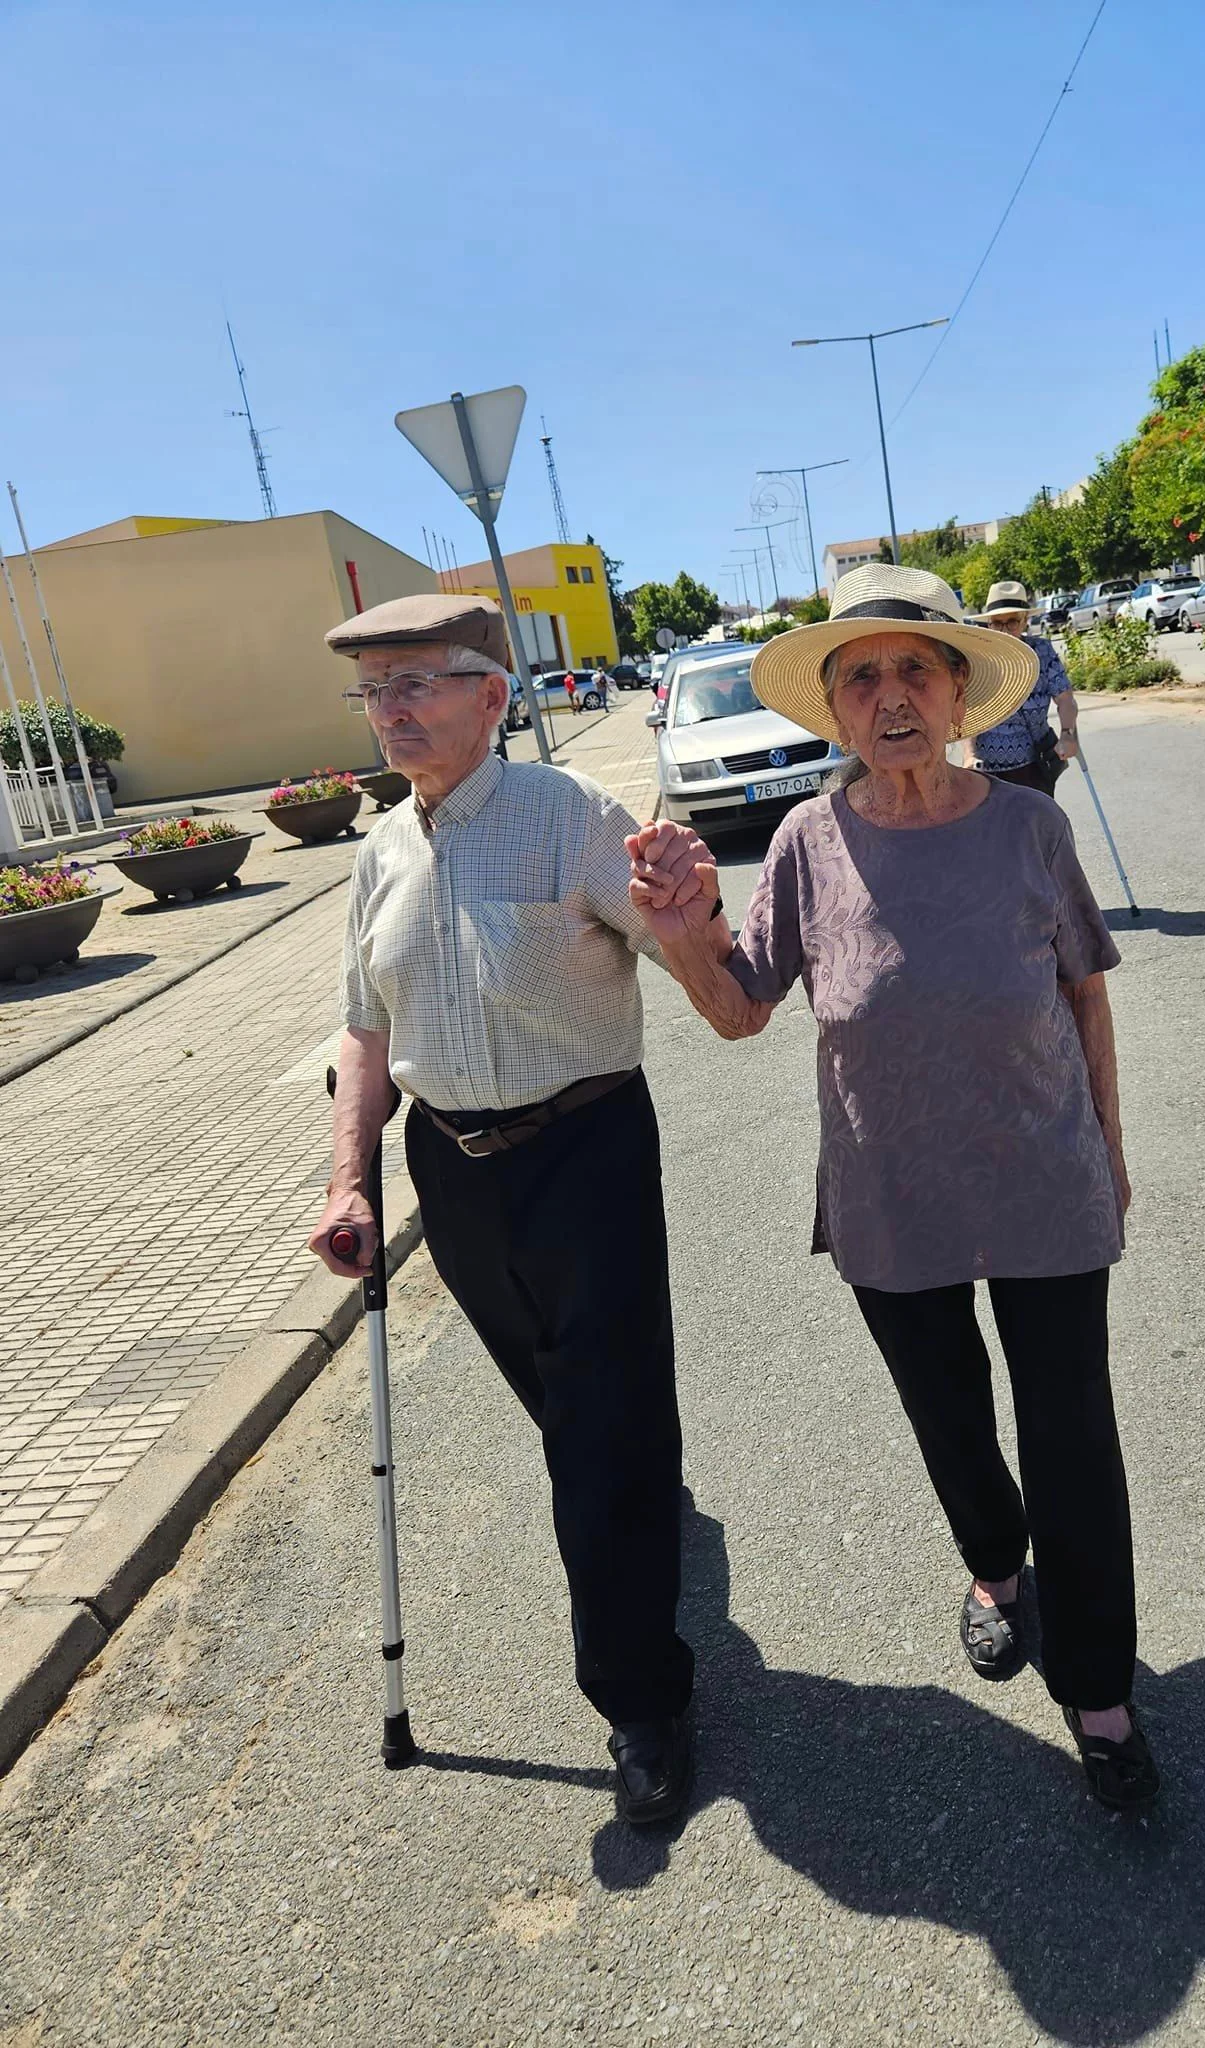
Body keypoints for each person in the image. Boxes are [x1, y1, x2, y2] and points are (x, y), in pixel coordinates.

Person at [628, 564, 1159, 1813]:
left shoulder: (1029, 827)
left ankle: (1098, 1688)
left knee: (1072, 1433)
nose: (890, 694)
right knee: (952, 1420)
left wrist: (1112, 1145)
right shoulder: (811, 842)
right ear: (835, 710)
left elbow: (1085, 986)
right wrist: (682, 924)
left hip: (1043, 1174)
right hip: (889, 1190)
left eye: (914, 667)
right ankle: (995, 1566)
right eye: (859, 676)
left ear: (962, 690)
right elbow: (741, 1009)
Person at [309, 592, 694, 1826]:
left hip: (585, 1148)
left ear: (494, 693)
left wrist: (695, 900)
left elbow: (690, 947)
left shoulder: (571, 816)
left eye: (419, 680)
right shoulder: (379, 852)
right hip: (454, 1170)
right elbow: (366, 1030)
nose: (393, 709)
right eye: (375, 689)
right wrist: (348, 1177)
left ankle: (639, 1698)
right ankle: (632, 1500)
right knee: (563, 1406)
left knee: (601, 1428)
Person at [967, 580, 1079, 798]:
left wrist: (1068, 735)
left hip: (1035, 764)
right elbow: (967, 711)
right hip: (989, 771)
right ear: (989, 624)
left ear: (1025, 621)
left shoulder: (1042, 652)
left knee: (1036, 827)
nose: (1005, 629)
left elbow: (1065, 699)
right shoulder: (979, 659)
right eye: (998, 623)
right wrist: (969, 755)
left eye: (1012, 622)